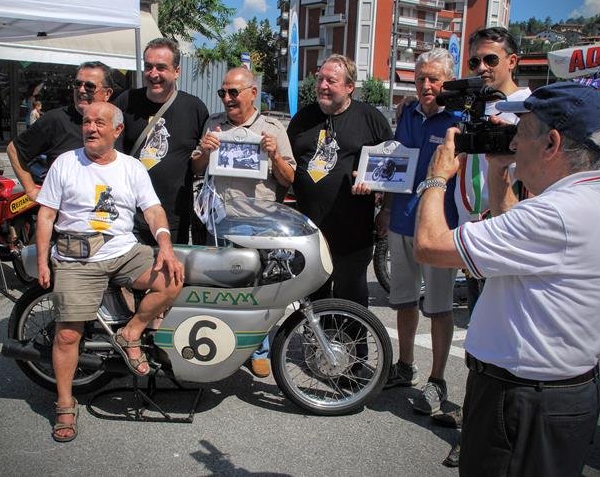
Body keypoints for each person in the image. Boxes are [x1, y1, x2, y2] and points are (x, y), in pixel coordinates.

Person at [413, 82, 600, 476]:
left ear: (551, 143)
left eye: (522, 131)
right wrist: (499, 172)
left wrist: (436, 177)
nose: (513, 142)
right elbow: (514, 235)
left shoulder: (555, 215)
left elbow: (429, 246)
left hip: (523, 400)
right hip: (557, 394)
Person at [35, 102, 184, 443]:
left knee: (172, 279)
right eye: (87, 122)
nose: (91, 128)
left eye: (99, 123)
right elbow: (46, 215)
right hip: (77, 259)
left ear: (117, 130)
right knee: (67, 335)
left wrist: (165, 245)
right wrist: (43, 261)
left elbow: (153, 210)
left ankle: (130, 333)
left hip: (123, 252)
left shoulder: (131, 167)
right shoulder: (65, 163)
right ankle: (65, 404)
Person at [365, 49, 460, 414]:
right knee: (404, 302)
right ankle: (405, 366)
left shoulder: (459, 120)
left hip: (440, 227)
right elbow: (395, 165)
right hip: (402, 221)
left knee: (439, 308)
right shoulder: (406, 113)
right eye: (420, 79)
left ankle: (437, 380)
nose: (426, 85)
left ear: (448, 81)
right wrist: (387, 209)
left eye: (434, 78)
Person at [193, 66, 296, 377]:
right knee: (218, 289)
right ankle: (220, 346)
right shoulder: (213, 124)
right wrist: (204, 152)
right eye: (222, 92)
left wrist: (274, 156)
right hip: (219, 221)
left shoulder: (272, 128)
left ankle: (258, 351)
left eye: (233, 92)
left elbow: (289, 178)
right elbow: (196, 168)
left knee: (258, 289)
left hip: (258, 224)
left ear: (253, 93)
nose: (227, 98)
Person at [288, 54, 392, 306]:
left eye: (331, 81)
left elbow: (393, 168)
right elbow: (286, 163)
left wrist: (386, 208)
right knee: (312, 303)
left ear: (349, 87)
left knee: (350, 303)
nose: (323, 86)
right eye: (320, 79)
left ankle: (353, 335)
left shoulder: (370, 119)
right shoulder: (303, 118)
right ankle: (316, 335)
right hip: (309, 234)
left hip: (352, 234)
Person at [458, 27, 531, 311]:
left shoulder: (529, 109)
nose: (481, 68)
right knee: (477, 325)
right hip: (473, 230)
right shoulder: (475, 105)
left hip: (507, 232)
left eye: (490, 59)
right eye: (474, 61)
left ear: (512, 61)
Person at [115, 37, 209, 245]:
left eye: (161, 67)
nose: (153, 74)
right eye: (148, 67)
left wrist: (206, 153)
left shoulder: (195, 109)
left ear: (177, 71)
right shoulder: (126, 101)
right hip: (128, 215)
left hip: (172, 217)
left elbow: (198, 166)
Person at [6, 61, 114, 202]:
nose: (81, 90)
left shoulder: (117, 121)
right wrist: (31, 190)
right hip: (65, 213)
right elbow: (14, 150)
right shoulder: (55, 120)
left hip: (108, 211)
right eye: (77, 84)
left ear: (107, 93)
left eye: (89, 86)